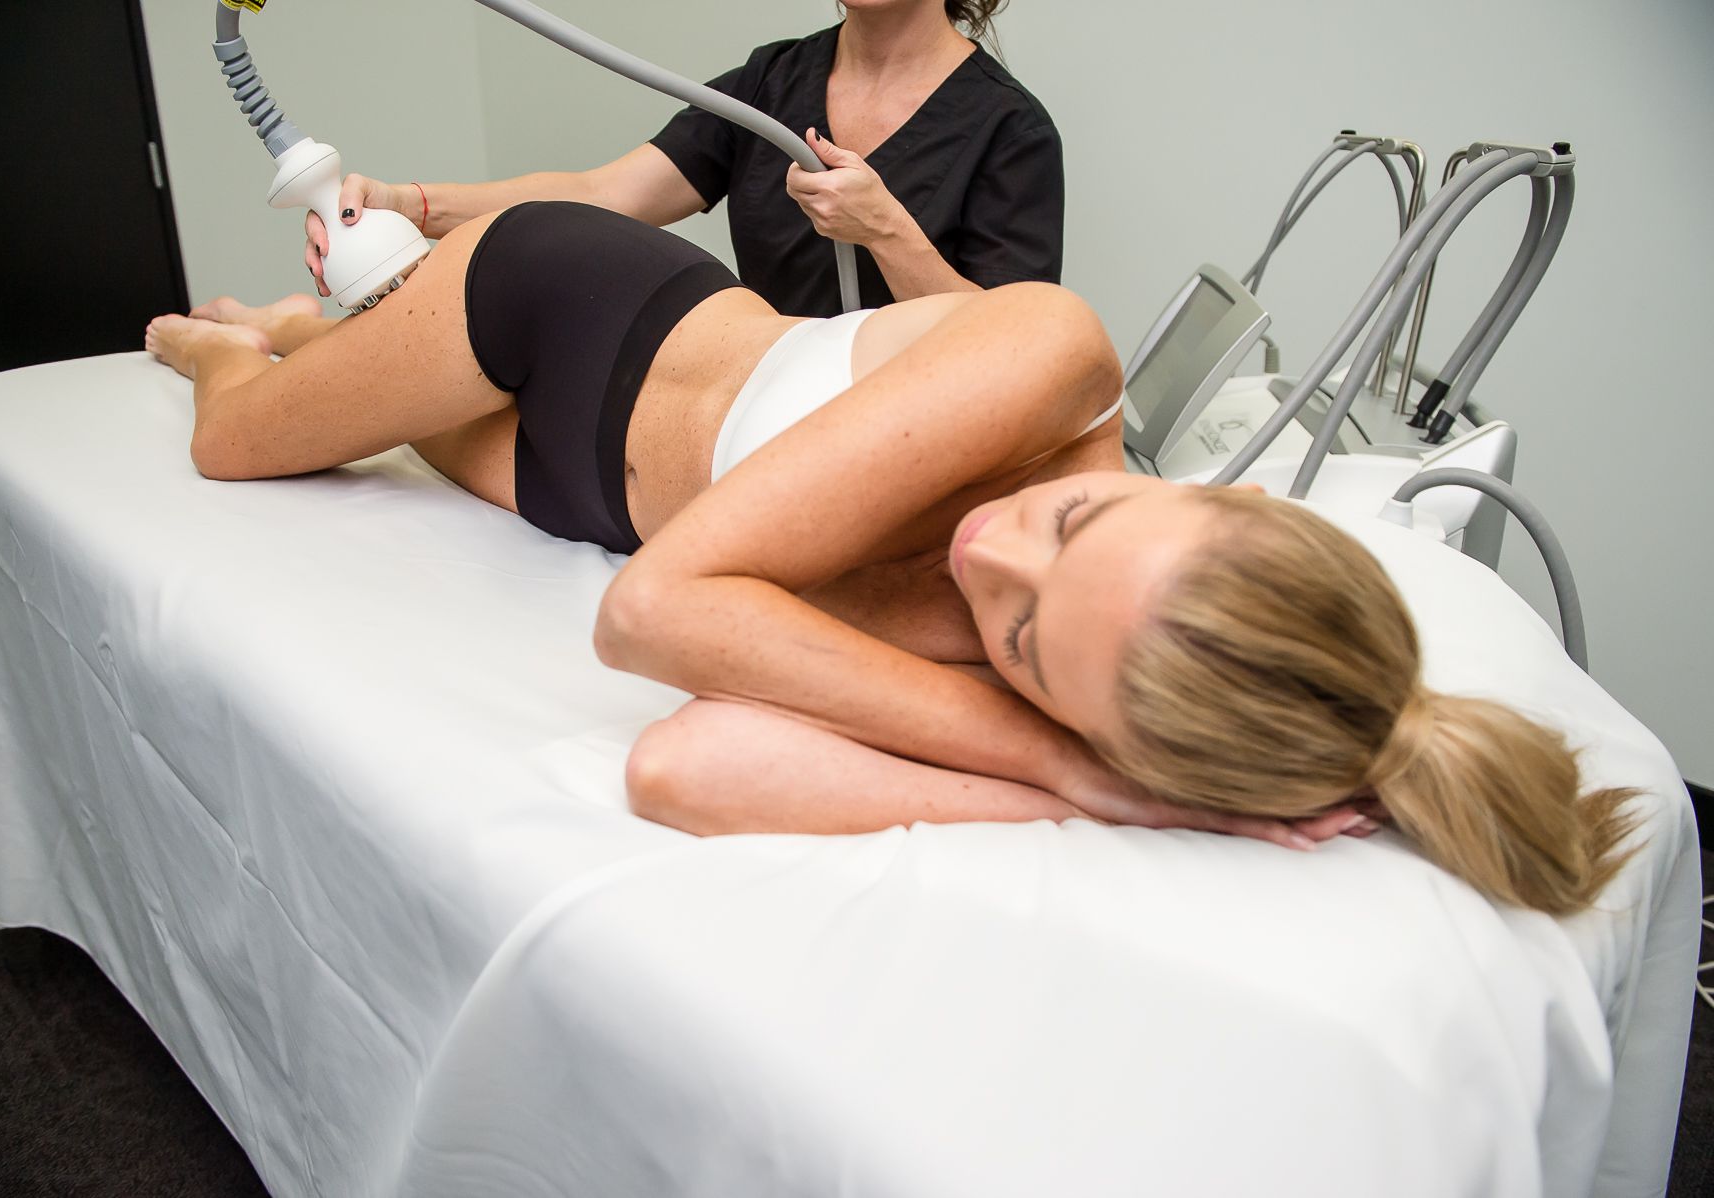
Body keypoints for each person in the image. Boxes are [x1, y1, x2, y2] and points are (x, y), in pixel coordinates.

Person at [147, 200, 1636, 917]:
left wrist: (1068, 779)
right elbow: (650, 611)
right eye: (1078, 520)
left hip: (575, 484)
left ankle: (317, 338)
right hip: (572, 307)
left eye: (1030, 642)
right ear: (1234, 505)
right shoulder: (1049, 357)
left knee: (385, 417)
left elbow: (686, 768)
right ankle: (228, 345)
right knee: (247, 434)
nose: (992, 555)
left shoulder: (1070, 697)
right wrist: (1046, 752)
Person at [306, 0, 1063, 315]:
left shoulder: (1009, 131)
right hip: (763, 401)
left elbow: (1011, 354)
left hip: (904, 434)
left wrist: (888, 232)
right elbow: (602, 194)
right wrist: (412, 206)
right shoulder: (771, 82)